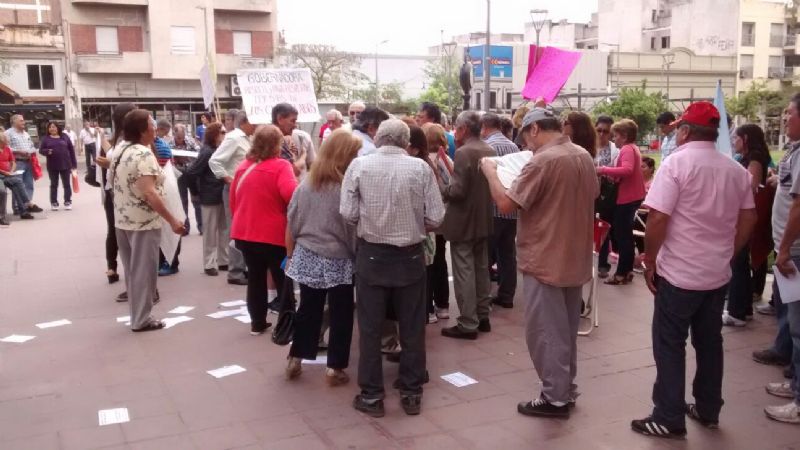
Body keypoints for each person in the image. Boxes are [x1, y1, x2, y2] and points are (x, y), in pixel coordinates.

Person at [631, 101, 756, 438]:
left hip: (680, 275)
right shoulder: (735, 170)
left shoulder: (676, 163)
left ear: (685, 131)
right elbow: (749, 217)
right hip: (716, 275)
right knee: (709, 342)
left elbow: (658, 217)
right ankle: (708, 407)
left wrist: (650, 260)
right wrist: (729, 252)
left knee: (669, 344)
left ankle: (668, 416)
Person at [480, 106, 598, 419]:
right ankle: (564, 389)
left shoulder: (543, 160)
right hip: (574, 255)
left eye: (526, 137)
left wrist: (490, 170)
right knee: (565, 330)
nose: (526, 145)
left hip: (546, 256)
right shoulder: (583, 155)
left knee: (546, 331)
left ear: (534, 129)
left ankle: (554, 397)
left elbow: (506, 203)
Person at [341, 119, 445, 418]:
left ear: (378, 138)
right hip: (410, 256)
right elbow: (436, 216)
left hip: (372, 254)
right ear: (405, 141)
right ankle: (411, 391)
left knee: (370, 328)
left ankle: (372, 394)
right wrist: (414, 223)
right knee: (412, 327)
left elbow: (347, 212)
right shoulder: (420, 168)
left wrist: (371, 221)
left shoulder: (359, 166)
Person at [285, 129, 361, 385]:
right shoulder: (344, 189)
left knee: (308, 309)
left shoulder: (306, 185)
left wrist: (292, 252)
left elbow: (292, 221)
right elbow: (351, 229)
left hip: (308, 253)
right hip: (338, 257)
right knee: (341, 312)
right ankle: (335, 367)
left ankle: (296, 356)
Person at [110, 109, 185, 332]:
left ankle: (137, 315)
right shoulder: (143, 154)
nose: (155, 129)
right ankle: (141, 319)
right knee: (144, 272)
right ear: (143, 131)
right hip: (143, 222)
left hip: (123, 219)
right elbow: (150, 193)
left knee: (132, 271)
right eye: (152, 125)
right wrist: (172, 220)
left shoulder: (120, 148)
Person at [230, 125, 298, 335]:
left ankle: (257, 322)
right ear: (277, 144)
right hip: (273, 233)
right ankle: (286, 324)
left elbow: (233, 200)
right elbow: (292, 195)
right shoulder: (281, 166)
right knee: (282, 279)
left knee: (255, 277)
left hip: (245, 231)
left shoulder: (243, 167)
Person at [437, 111, 495, 340]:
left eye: (457, 127)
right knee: (481, 268)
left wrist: (443, 186)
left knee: (464, 271)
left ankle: (468, 322)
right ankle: (482, 315)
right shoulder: (488, 149)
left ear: (464, 129)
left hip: (463, 220)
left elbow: (458, 191)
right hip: (483, 217)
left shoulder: (464, 152)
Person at [764, 93, 800, 425]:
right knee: (791, 319)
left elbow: (799, 206)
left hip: (796, 251)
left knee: (799, 326)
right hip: (790, 248)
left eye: (790, 113)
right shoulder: (794, 151)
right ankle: (795, 383)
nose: (785, 118)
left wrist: (786, 248)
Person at [723, 124, 773, 327]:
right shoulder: (749, 157)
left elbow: (750, 187)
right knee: (740, 261)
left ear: (745, 138)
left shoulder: (754, 158)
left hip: (745, 215)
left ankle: (737, 312)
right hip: (745, 213)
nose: (734, 141)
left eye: (736, 137)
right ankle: (743, 308)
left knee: (739, 261)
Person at [596, 119, 646, 285]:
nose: (613, 138)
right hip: (632, 196)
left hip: (627, 197)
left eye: (616, 135)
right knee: (625, 235)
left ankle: (621, 273)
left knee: (622, 236)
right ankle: (626, 270)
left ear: (624, 136)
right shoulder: (632, 148)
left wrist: (603, 170)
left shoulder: (627, 149)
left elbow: (627, 169)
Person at [209, 110, 254, 286]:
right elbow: (215, 161)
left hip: (245, 190)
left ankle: (242, 267)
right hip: (234, 189)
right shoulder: (234, 138)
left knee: (244, 229)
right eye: (255, 122)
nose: (257, 125)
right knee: (236, 229)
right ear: (246, 122)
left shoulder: (247, 138)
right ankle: (235, 271)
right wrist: (228, 179)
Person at [480, 113, 519, 310]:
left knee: (485, 256)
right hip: (511, 209)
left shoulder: (486, 147)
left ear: (485, 127)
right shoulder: (513, 147)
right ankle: (507, 295)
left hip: (492, 208)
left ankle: (484, 298)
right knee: (507, 254)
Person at [96, 102, 137, 286]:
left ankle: (136, 280)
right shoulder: (122, 141)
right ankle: (117, 268)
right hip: (118, 193)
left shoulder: (129, 140)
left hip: (127, 193)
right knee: (119, 231)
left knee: (125, 234)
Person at [183, 122, 228, 276]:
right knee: (210, 231)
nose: (225, 135)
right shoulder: (207, 151)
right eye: (222, 132)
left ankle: (223, 260)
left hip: (221, 194)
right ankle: (209, 263)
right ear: (215, 134)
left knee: (224, 229)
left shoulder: (218, 149)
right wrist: (195, 192)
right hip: (210, 195)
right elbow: (191, 172)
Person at [421, 123, 452, 324]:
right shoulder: (446, 159)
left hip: (428, 219)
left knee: (428, 264)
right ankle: (443, 305)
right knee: (441, 260)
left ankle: (429, 309)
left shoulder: (422, 162)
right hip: (443, 217)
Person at [595, 115, 620, 278]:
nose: (602, 134)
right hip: (588, 193)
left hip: (607, 195)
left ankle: (602, 264)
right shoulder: (588, 147)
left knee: (603, 227)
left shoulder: (615, 151)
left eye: (606, 131)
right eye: (599, 130)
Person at [0, 131, 42, 220]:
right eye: (5, 142)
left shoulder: (7, 149)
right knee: (3, 191)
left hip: (7, 174)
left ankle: (24, 211)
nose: (7, 144)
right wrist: (5, 172)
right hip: (1, 175)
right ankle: (3, 215)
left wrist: (11, 171)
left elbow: (13, 162)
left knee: (17, 183)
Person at [171, 123, 202, 235]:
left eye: (182, 137)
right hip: (179, 174)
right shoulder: (170, 144)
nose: (181, 140)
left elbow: (199, 153)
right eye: (178, 137)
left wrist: (192, 160)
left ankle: (201, 226)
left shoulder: (190, 141)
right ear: (174, 135)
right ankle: (185, 227)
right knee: (183, 201)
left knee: (197, 200)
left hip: (192, 172)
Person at [39, 121, 77, 211]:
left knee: (66, 184)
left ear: (58, 128)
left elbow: (71, 150)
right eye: (50, 127)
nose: (52, 129)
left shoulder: (64, 136)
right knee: (54, 184)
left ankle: (68, 201)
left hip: (65, 164)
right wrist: (47, 151)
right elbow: (41, 150)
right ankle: (54, 202)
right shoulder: (46, 138)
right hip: (52, 165)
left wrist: (74, 164)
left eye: (54, 127)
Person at [5, 114, 37, 214]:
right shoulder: (8, 133)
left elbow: (32, 145)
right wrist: (19, 151)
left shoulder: (26, 133)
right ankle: (17, 207)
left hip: (28, 162)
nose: (24, 122)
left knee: (29, 185)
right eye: (21, 120)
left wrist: (31, 151)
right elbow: (6, 148)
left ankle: (27, 205)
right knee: (17, 185)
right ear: (14, 122)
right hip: (16, 162)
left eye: (23, 120)